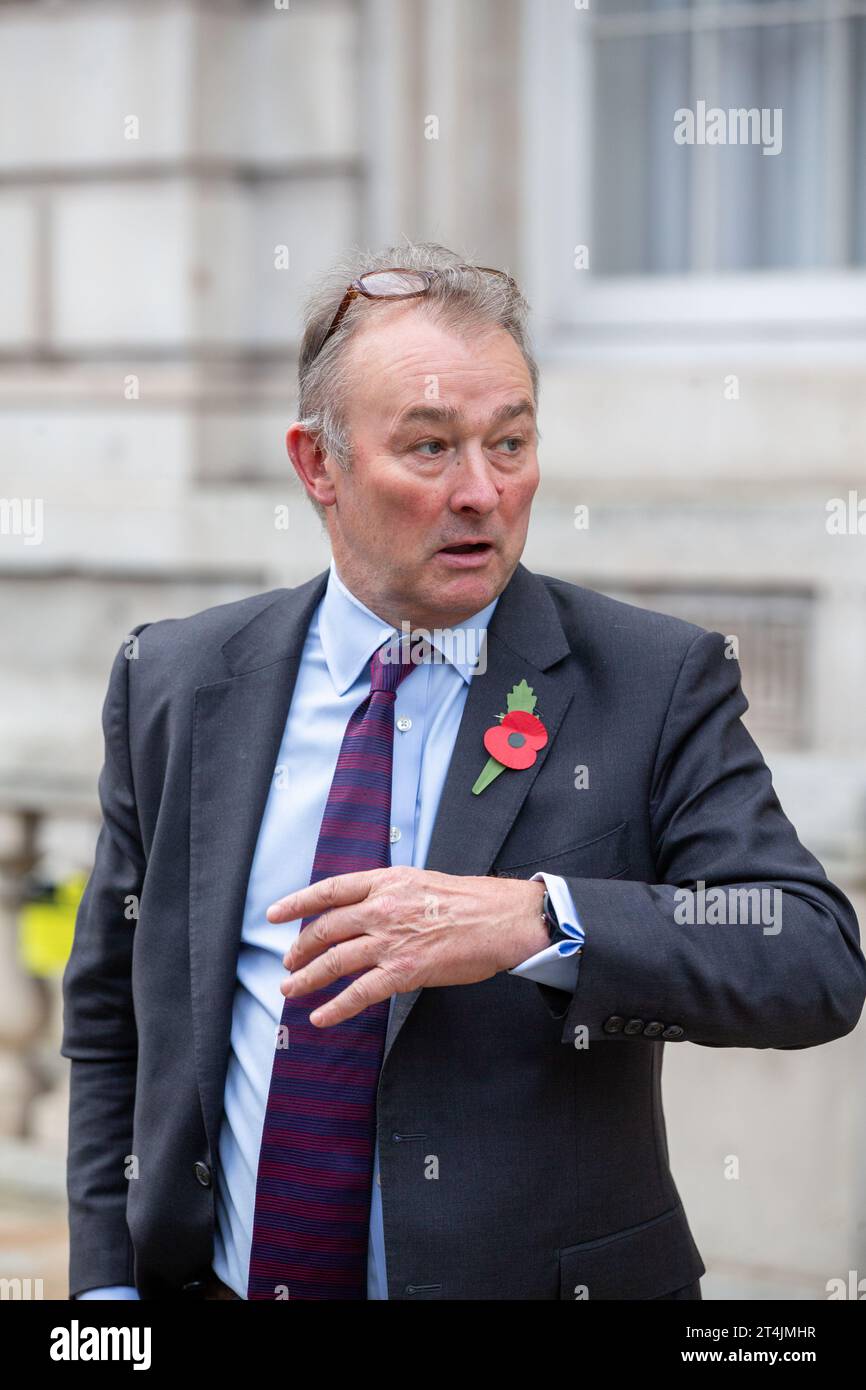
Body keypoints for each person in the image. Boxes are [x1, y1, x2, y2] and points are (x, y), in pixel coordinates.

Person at [62, 242, 866, 1301]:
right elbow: (113, 1011)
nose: (482, 491)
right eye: (431, 447)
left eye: (511, 441)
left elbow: (806, 956)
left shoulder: (650, 677)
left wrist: (542, 922)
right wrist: (106, 1299)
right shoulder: (172, 676)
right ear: (318, 465)